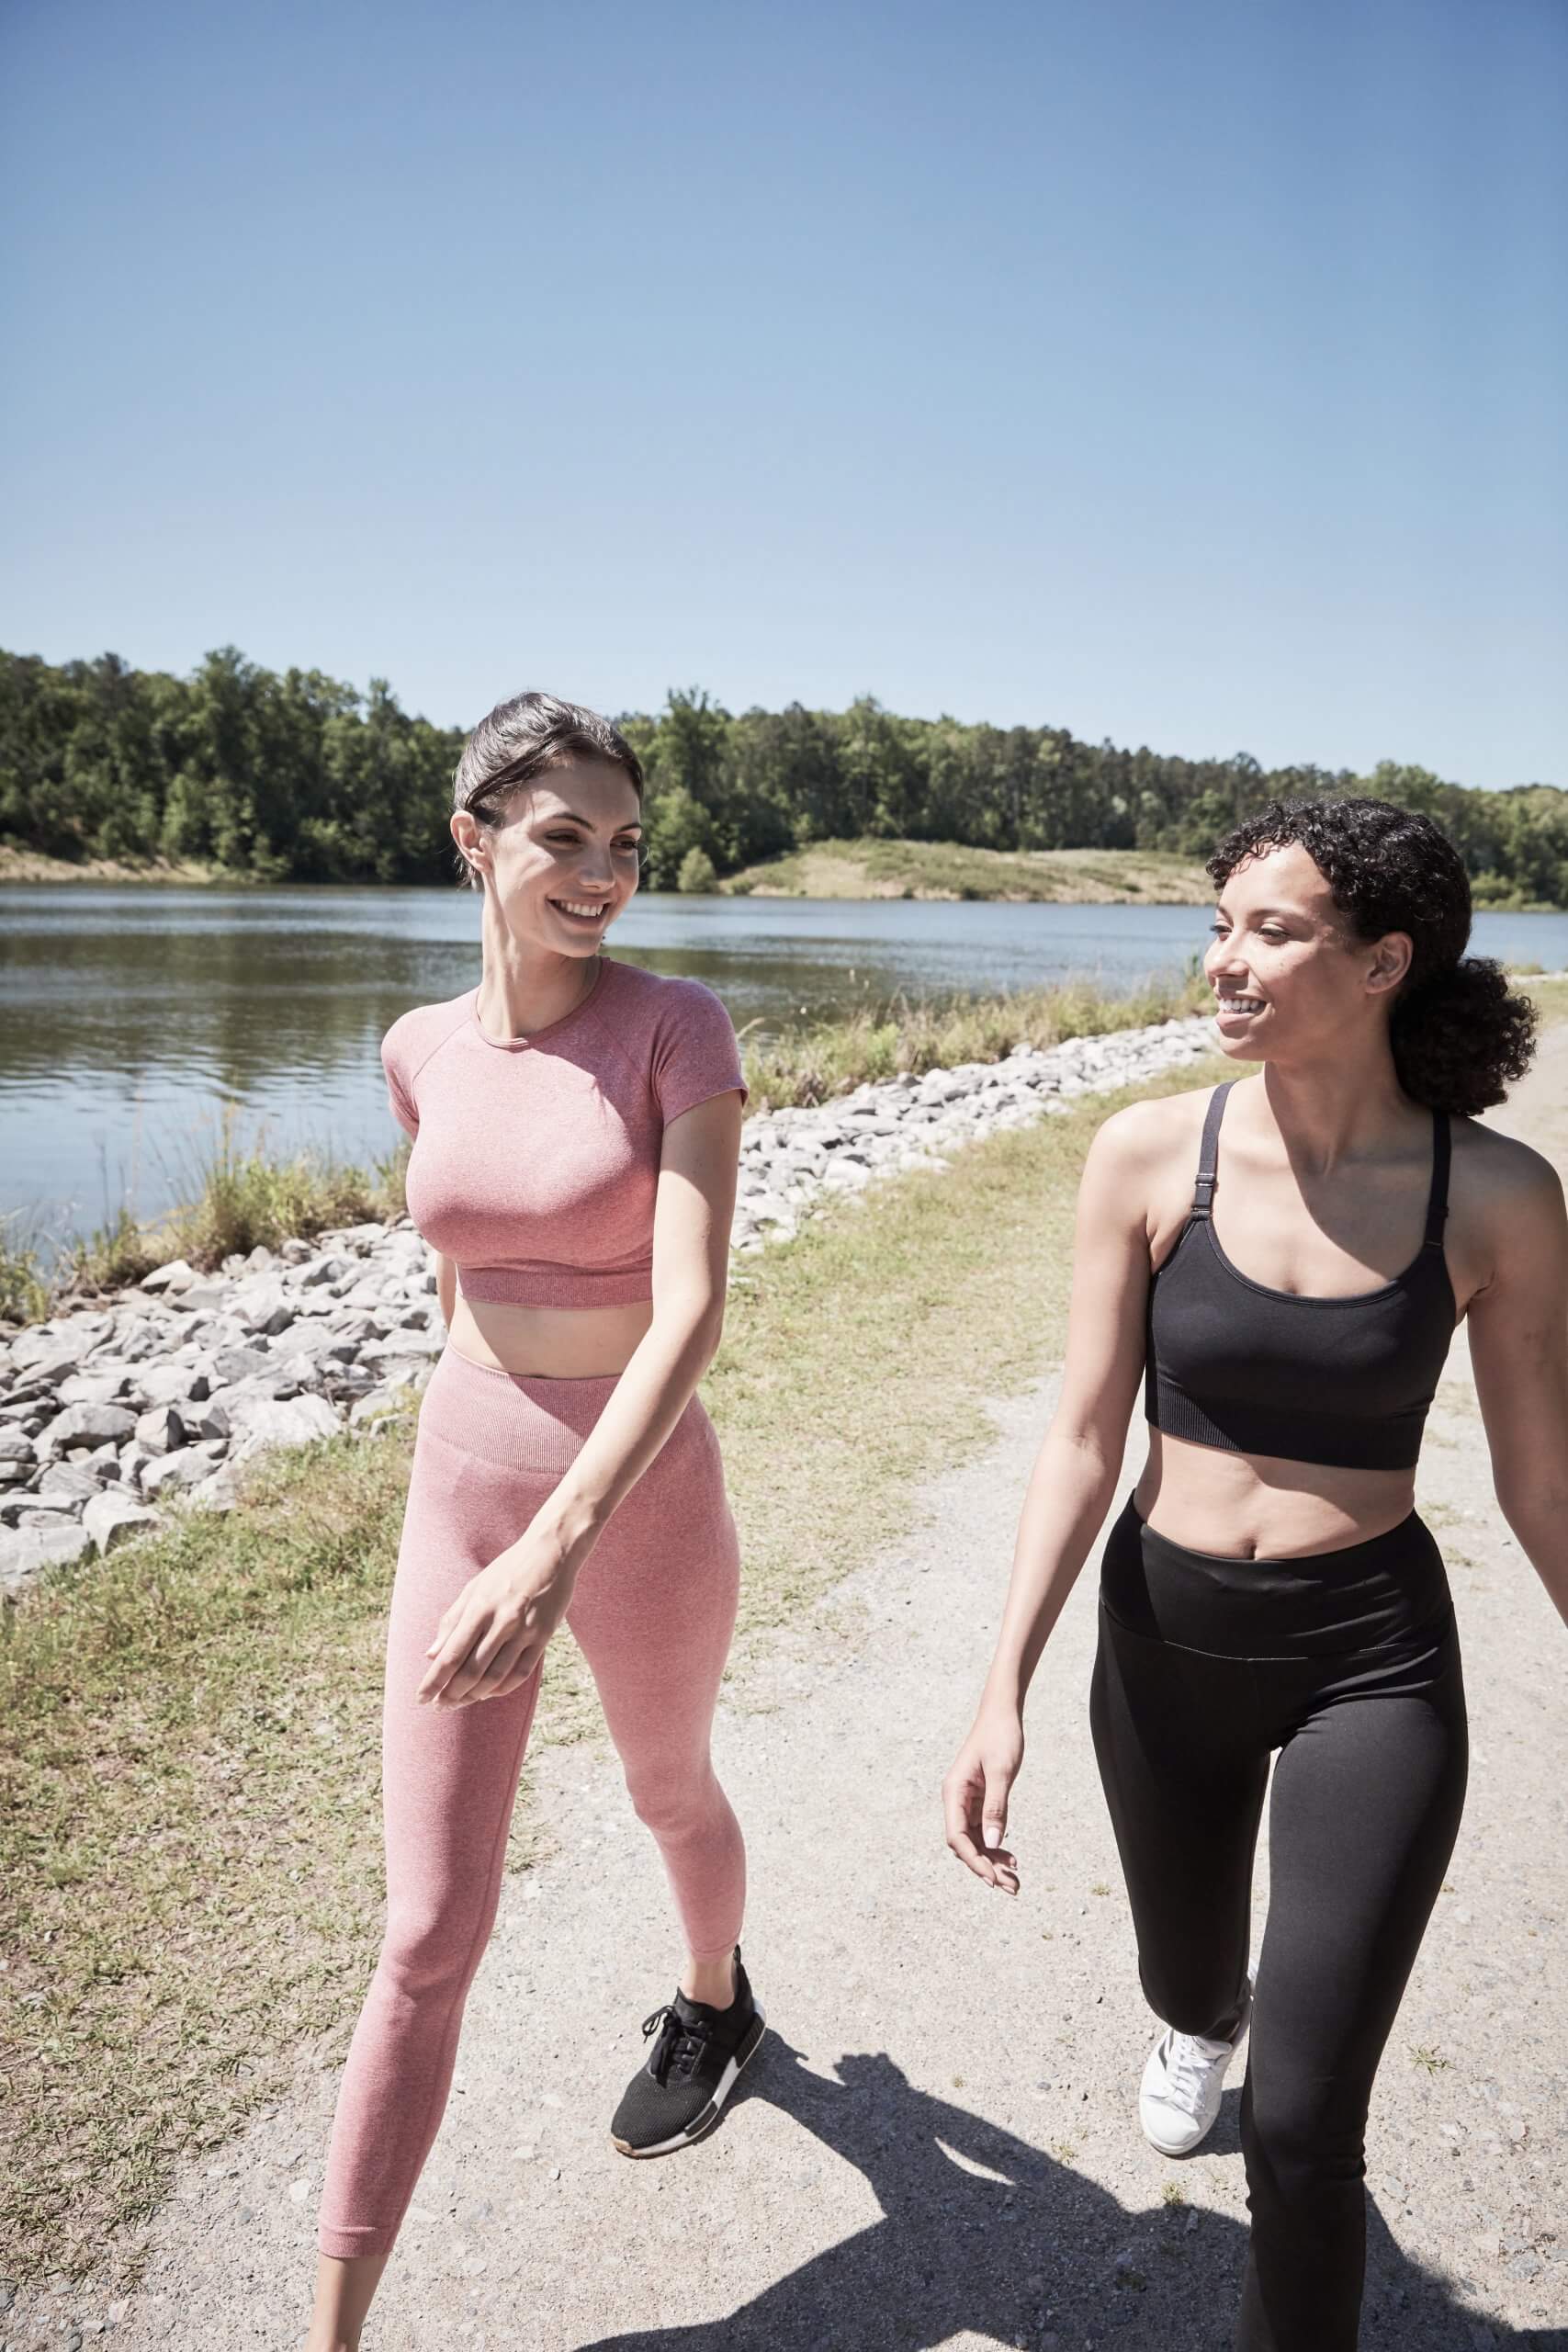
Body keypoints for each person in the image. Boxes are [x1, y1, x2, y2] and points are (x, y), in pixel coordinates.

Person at [942, 797, 1568, 2351]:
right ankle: (1196, 2022)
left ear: (1383, 963)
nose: (1223, 960)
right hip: (1167, 1641)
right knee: (1192, 1972)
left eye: (1270, 930)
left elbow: (1542, 1473)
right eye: (1219, 924)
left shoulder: (1496, 1196)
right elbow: (1084, 1438)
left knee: (1301, 2131)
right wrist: (1000, 1687)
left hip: (1375, 1656)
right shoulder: (1152, 1155)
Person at [302, 693, 763, 2352]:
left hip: (630, 1498)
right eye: (564, 837)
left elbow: (690, 1313)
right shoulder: (415, 1047)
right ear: (474, 840)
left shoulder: (676, 1027)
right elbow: (457, 1266)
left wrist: (556, 1537)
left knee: (666, 1788)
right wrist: (471, 1469)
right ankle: (331, 2336)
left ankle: (718, 2004)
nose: (602, 873)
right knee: (425, 1929)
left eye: (626, 843)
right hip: (466, 1480)